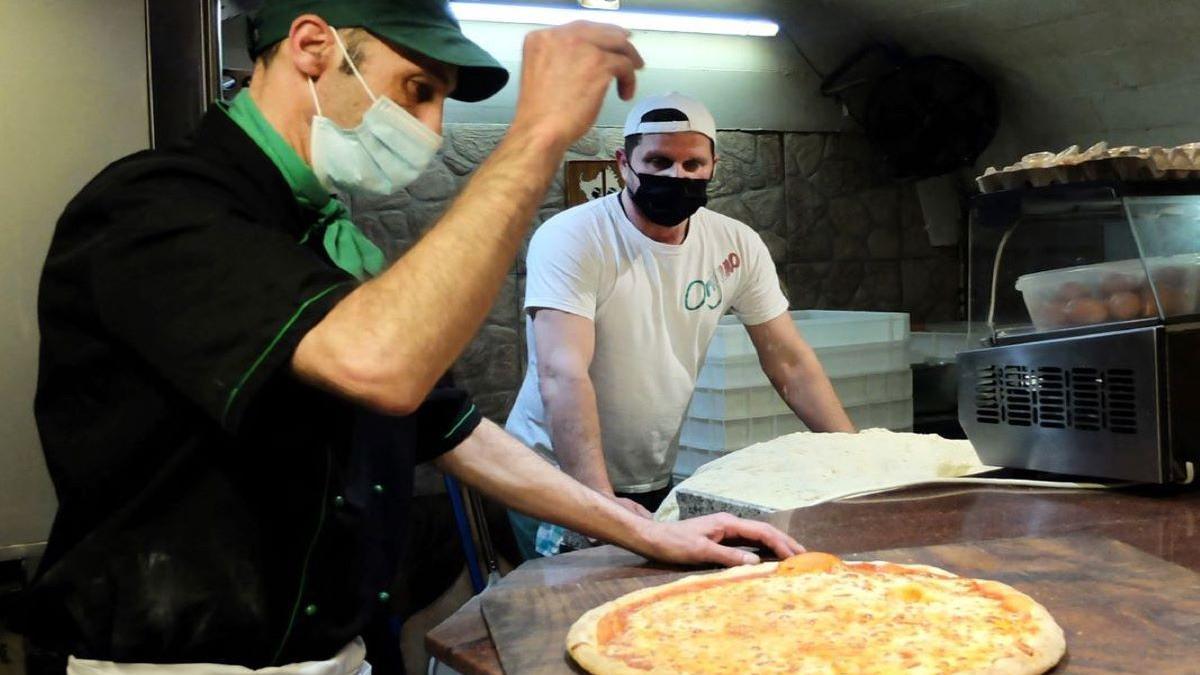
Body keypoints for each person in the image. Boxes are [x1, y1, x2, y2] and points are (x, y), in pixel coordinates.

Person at [17, 3, 804, 673]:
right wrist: (535, 138)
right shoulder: (156, 210)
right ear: (313, 46)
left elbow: (450, 425)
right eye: (417, 91)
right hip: (184, 663)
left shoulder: (320, 238)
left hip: (332, 649)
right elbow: (382, 367)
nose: (428, 128)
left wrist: (647, 529)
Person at [505, 92, 856, 560]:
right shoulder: (574, 237)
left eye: (693, 164)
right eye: (659, 161)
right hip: (557, 478)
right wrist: (598, 504)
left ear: (713, 164)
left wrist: (857, 464)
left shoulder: (735, 244)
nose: (677, 176)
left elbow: (791, 363)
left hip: (651, 475)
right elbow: (562, 373)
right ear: (624, 163)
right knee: (573, 611)